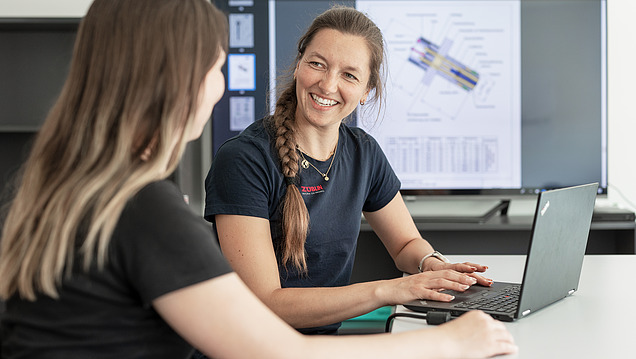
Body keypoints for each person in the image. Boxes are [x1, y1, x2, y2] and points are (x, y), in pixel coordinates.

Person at [0, 0, 516, 358]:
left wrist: (425, 270)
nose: (219, 86)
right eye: (217, 66)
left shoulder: (67, 189)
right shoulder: (144, 210)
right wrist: (451, 341)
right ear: (179, 81)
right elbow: (281, 349)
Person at [205, 5, 496, 335]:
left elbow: (405, 245)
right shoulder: (244, 160)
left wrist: (434, 266)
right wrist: (388, 291)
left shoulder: (364, 152)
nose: (328, 85)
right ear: (299, 64)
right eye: (317, 64)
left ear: (366, 91)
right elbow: (266, 305)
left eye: (349, 75)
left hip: (318, 347)